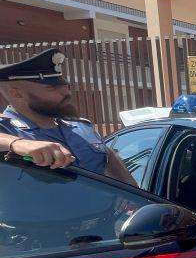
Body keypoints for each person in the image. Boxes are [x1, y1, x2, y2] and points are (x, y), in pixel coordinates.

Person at [0, 48, 134, 183]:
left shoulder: (82, 127)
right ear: (16, 94)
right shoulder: (6, 129)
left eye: (64, 86)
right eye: (51, 88)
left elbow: (121, 177)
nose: (66, 93)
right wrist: (17, 144)